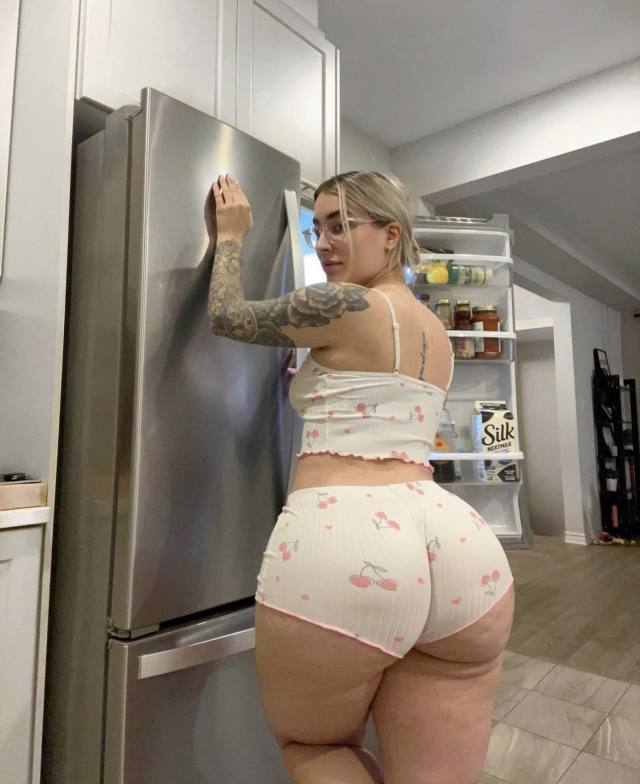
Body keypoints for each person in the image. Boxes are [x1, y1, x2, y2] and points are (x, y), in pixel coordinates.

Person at [206, 170, 515, 784]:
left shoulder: (344, 305)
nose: (323, 243)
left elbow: (227, 316)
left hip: (348, 540)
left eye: (340, 226)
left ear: (391, 234)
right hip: (458, 548)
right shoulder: (436, 332)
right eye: (317, 228)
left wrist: (232, 235)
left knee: (314, 746)